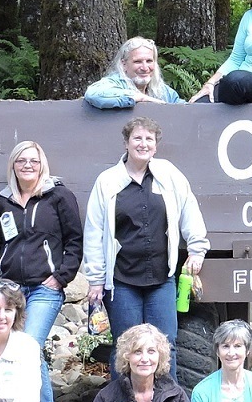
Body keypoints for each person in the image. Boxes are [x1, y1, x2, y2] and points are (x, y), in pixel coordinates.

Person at [0, 140, 83, 402]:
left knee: (28, 346)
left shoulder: (59, 197)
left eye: (33, 161)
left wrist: (61, 276)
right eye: (22, 160)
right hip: (8, 289)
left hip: (43, 288)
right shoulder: (3, 201)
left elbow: (75, 240)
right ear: (13, 165)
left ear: (42, 165)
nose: (28, 165)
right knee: (10, 348)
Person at [82, 117, 208, 350]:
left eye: (149, 139)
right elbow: (94, 232)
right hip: (122, 280)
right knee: (127, 346)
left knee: (164, 345)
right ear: (126, 143)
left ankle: (166, 389)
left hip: (161, 278)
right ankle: (124, 388)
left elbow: (189, 210)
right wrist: (96, 280)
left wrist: (196, 249)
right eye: (137, 138)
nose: (143, 144)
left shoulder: (168, 174)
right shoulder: (107, 181)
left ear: (156, 145)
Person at [83, 37, 185, 109]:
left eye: (149, 61)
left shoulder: (163, 91)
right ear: (124, 64)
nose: (145, 68)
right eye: (138, 62)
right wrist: (139, 98)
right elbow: (93, 93)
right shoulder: (114, 82)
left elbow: (185, 109)